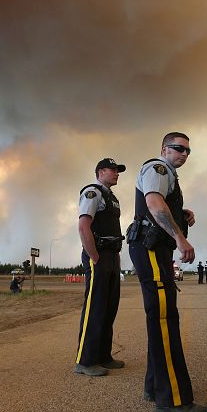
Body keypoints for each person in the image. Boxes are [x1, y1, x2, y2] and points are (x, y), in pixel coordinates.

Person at [127, 132, 207, 412]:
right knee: (164, 319)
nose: (184, 154)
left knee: (160, 317)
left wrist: (181, 211)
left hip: (153, 249)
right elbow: (154, 203)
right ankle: (173, 401)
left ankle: (155, 386)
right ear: (165, 148)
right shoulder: (159, 168)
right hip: (151, 248)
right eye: (178, 148)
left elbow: (162, 203)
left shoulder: (169, 175)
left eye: (188, 150)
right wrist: (180, 238)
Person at [74, 158, 127, 377]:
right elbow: (83, 226)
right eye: (113, 170)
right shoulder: (92, 192)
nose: (117, 174)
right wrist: (94, 256)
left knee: (109, 307)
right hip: (99, 256)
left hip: (112, 256)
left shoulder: (111, 197)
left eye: (118, 171)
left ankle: (104, 356)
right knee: (95, 308)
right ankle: (85, 361)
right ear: (100, 171)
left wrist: (114, 257)